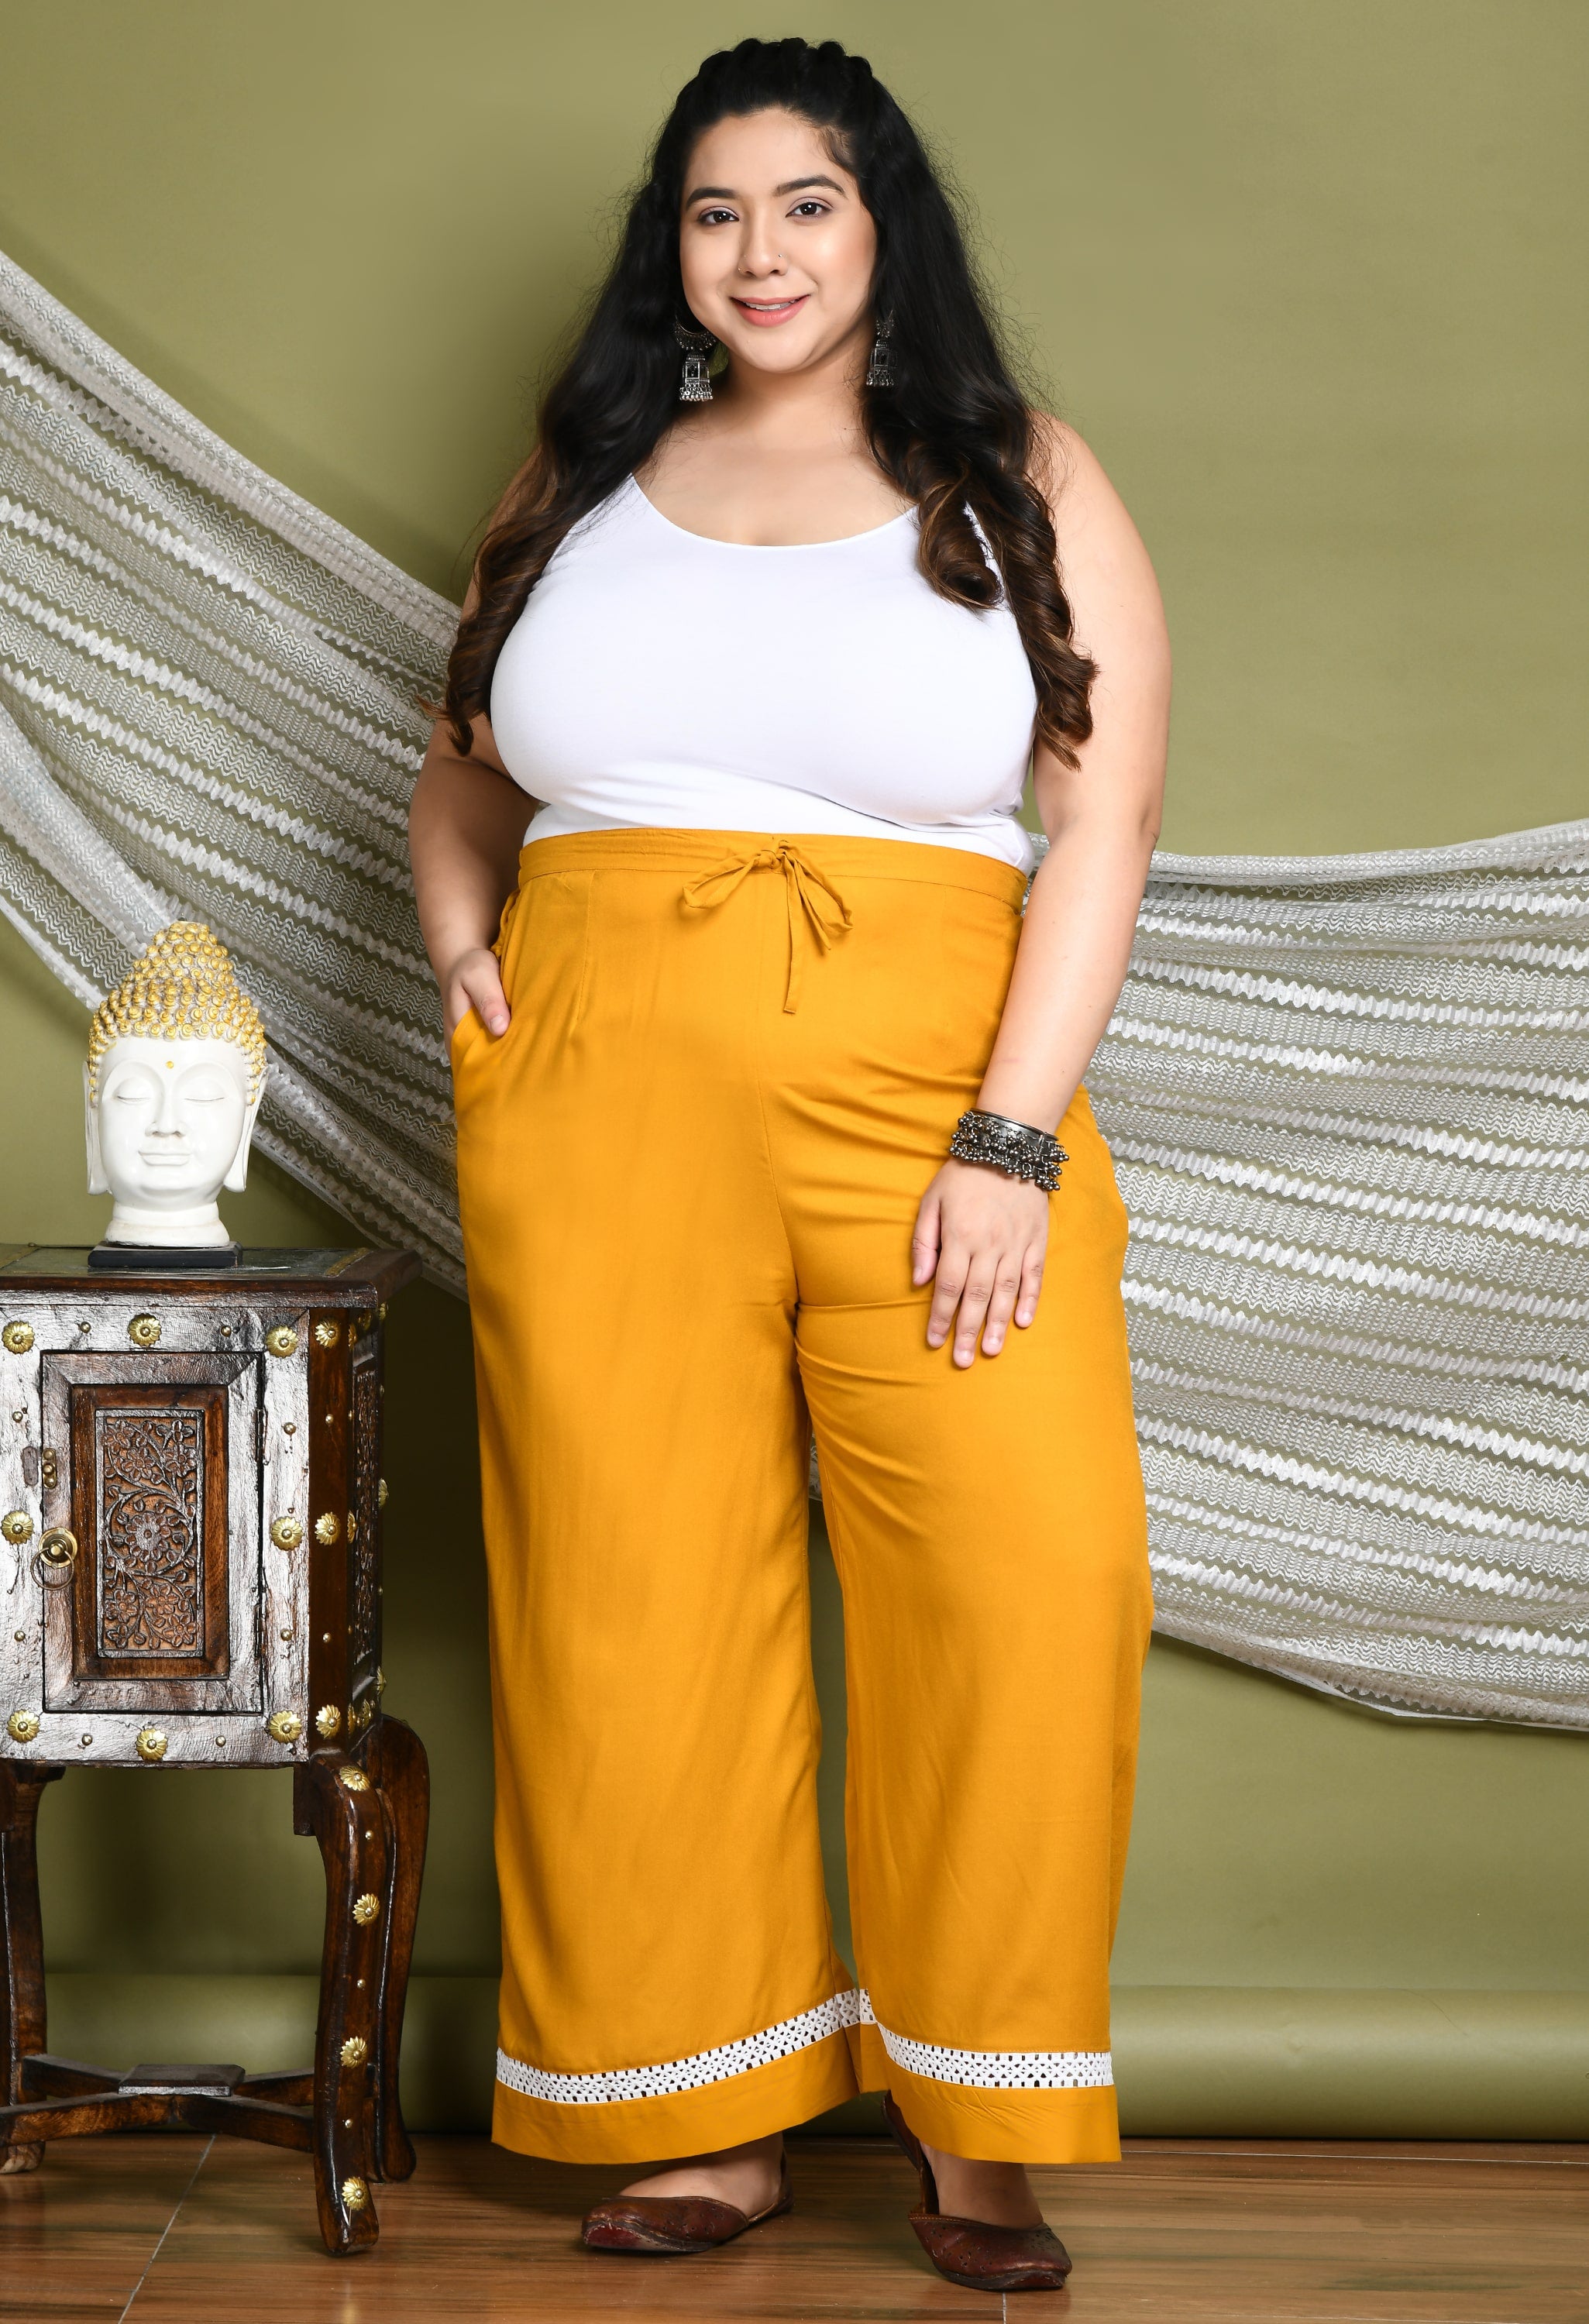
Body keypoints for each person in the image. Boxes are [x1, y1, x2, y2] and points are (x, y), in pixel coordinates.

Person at [409, 35, 1168, 2297]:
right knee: (628, 1594)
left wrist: (1009, 1139)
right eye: (715, 210)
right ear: (673, 244)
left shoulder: (1015, 473)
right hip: (596, 1099)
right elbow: (463, 753)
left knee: (1023, 1587)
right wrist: (461, 937)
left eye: (805, 204)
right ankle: (701, 2112)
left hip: (933, 1096)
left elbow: (1102, 822)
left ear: (880, 226)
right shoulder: (584, 469)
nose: (759, 252)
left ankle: (979, 2126)